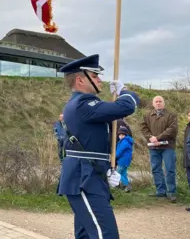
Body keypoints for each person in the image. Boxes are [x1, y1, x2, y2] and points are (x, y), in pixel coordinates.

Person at [57, 54, 140, 239]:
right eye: (94, 76)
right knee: (106, 234)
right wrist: (124, 91)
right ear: (80, 80)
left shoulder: (80, 104)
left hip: (91, 174)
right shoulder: (83, 104)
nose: (100, 80)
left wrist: (109, 168)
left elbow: (93, 142)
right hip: (84, 179)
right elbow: (126, 107)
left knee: (87, 234)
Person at [116, 125, 134, 193]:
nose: (121, 136)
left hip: (123, 161)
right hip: (125, 161)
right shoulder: (124, 141)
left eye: (123, 135)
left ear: (125, 135)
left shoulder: (124, 142)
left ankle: (127, 185)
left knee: (118, 173)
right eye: (120, 135)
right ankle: (127, 188)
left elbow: (119, 151)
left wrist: (114, 157)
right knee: (123, 174)